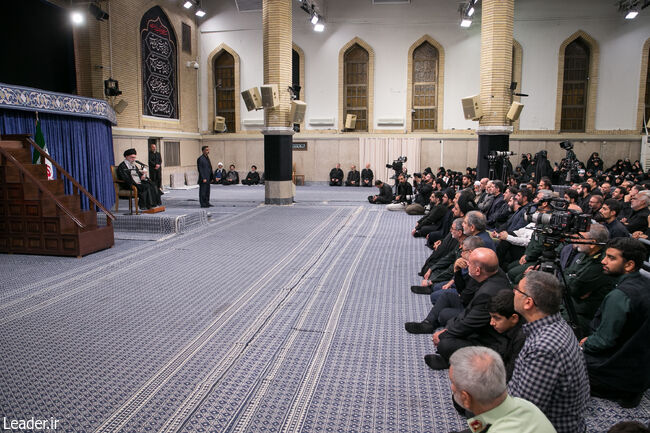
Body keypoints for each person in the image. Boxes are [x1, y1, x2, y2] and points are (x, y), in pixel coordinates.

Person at [509, 271, 590, 433]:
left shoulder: (543, 349)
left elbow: (524, 413)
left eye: (517, 289)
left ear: (528, 302)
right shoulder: (557, 324)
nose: (513, 292)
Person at [580, 238, 650, 408]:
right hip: (640, 370)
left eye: (611, 258)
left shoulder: (620, 296)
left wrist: (585, 344)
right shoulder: (645, 284)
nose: (603, 261)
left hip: (615, 373)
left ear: (629, 265)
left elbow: (603, 341)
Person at [424, 248, 510, 370]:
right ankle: (428, 323)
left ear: (478, 270)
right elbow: (465, 298)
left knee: (445, 343)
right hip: (475, 316)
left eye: (469, 263)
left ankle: (449, 360)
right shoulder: (488, 273)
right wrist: (457, 272)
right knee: (448, 311)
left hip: (488, 337)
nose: (466, 264)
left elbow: (469, 324)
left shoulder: (488, 292)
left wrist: (444, 334)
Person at [448, 346, 556, 433]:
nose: (451, 387)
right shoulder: (525, 405)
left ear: (466, 398)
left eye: (452, 382)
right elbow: (483, 422)